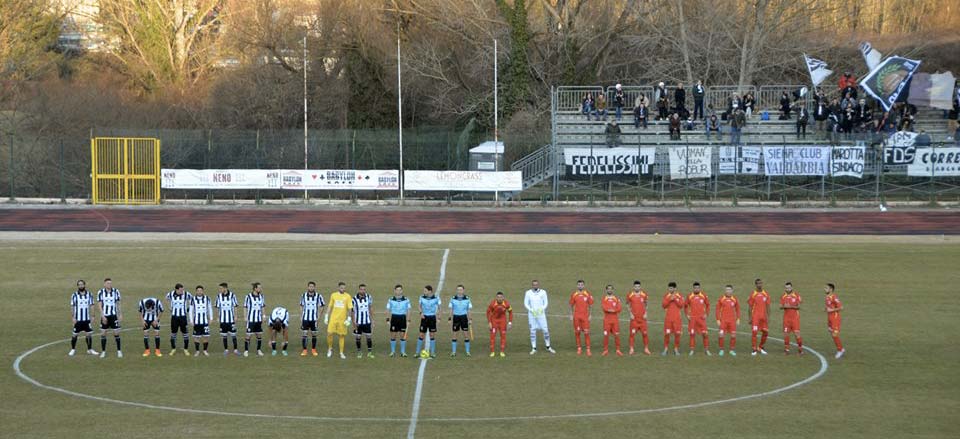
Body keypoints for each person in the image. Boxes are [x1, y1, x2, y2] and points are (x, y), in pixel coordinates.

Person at [523, 280, 555, 355]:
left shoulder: (543, 292)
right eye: (534, 285)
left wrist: (541, 309)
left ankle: (548, 346)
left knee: (545, 330)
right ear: (532, 285)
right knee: (532, 331)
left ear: (538, 285)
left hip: (541, 315)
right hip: (532, 315)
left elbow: (546, 302)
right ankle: (534, 348)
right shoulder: (528, 293)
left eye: (536, 285)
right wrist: (531, 310)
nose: (535, 286)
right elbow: (525, 303)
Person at [324, 281, 354, 359]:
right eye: (341, 288)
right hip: (333, 319)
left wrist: (349, 319)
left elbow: (350, 308)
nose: (343, 289)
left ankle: (341, 352)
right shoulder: (333, 295)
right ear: (338, 288)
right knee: (329, 333)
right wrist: (326, 316)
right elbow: (330, 306)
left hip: (342, 320)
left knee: (341, 335)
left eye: (344, 288)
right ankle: (330, 348)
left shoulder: (348, 296)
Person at [69, 280, 99, 356]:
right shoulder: (74, 295)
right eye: (79, 285)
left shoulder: (89, 294)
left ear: (84, 285)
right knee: (75, 334)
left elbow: (92, 305)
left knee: (88, 334)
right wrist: (73, 317)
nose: (81, 286)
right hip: (78, 319)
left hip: (86, 319)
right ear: (77, 286)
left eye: (82, 284)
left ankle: (90, 349)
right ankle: (73, 349)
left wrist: (93, 316)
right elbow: (72, 306)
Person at [97, 278, 123, 358]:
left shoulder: (116, 291)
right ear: (104, 284)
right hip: (105, 316)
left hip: (113, 316)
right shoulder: (100, 292)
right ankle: (103, 352)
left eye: (110, 283)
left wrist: (120, 314)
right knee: (103, 334)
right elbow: (99, 305)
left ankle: (119, 351)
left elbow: (118, 304)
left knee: (116, 333)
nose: (109, 284)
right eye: (107, 283)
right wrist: (102, 316)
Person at [299, 281, 325, 356]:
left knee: (314, 334)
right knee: (305, 334)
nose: (311, 288)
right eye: (310, 286)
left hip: (314, 319)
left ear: (314, 287)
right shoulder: (303, 295)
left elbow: (322, 306)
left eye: (312, 286)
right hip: (305, 318)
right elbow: (301, 305)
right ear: (308, 287)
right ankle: (304, 350)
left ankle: (313, 349)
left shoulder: (318, 296)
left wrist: (319, 317)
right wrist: (301, 316)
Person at [569, 280, 594, 356]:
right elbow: (571, 305)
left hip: (585, 317)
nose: (580, 286)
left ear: (584, 286)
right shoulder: (574, 294)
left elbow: (590, 305)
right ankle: (579, 348)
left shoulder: (587, 294)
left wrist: (590, 315)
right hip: (576, 316)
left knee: (586, 333)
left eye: (581, 285)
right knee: (577, 333)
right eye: (579, 285)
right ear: (577, 286)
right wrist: (570, 314)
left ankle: (588, 349)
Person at [415, 285, 441, 358]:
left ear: (430, 291)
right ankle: (417, 353)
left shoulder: (436, 298)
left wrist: (439, 318)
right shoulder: (422, 297)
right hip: (424, 318)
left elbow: (439, 308)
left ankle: (432, 353)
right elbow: (419, 306)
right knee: (421, 335)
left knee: (432, 335)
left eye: (425, 291)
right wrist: (421, 313)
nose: (424, 292)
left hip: (432, 318)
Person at [685, 282, 710, 356]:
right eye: (695, 288)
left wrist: (706, 314)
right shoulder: (689, 296)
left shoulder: (703, 295)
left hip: (701, 318)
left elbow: (708, 305)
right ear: (693, 288)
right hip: (692, 318)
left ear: (700, 288)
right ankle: (692, 350)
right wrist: (687, 315)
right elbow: (685, 306)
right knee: (692, 334)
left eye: (698, 288)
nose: (696, 289)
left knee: (705, 334)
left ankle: (706, 350)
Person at [166, 283, 192, 356]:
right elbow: (166, 299)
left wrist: (189, 308)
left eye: (183, 289)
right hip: (174, 317)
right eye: (181, 290)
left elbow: (192, 300)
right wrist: (169, 308)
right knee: (173, 333)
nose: (182, 291)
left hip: (183, 317)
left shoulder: (186, 294)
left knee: (185, 333)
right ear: (176, 289)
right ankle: (173, 349)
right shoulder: (171, 294)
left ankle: (186, 349)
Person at [386, 284, 411, 357]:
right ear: (395, 291)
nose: (399, 291)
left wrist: (408, 320)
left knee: (402, 336)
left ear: (402, 291)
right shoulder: (391, 299)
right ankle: (393, 352)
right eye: (397, 290)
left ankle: (403, 352)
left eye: (400, 290)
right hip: (394, 318)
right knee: (393, 335)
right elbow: (387, 309)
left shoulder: (406, 299)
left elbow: (409, 310)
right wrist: (387, 319)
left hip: (402, 318)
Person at [625, 281, 650, 355]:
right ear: (633, 287)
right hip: (634, 319)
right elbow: (627, 304)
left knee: (645, 334)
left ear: (640, 287)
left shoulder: (644, 294)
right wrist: (630, 314)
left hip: (642, 319)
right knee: (632, 334)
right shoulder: (630, 295)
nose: (637, 288)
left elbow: (646, 303)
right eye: (635, 287)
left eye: (638, 286)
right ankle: (631, 349)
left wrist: (646, 313)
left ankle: (646, 348)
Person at [215, 282, 240, 356]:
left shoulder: (232, 295)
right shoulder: (218, 296)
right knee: (224, 335)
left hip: (231, 320)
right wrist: (217, 317)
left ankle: (235, 350)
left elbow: (235, 306)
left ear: (225, 288)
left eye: (221, 288)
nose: (220, 290)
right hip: (223, 320)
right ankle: (226, 350)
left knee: (233, 335)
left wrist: (235, 316)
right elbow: (217, 307)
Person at [486, 291, 513, 357]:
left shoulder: (506, 304)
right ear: (496, 298)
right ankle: (492, 352)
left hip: (502, 322)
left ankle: (502, 351)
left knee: (503, 336)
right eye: (498, 297)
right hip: (494, 321)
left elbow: (510, 312)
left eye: (501, 297)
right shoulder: (493, 303)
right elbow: (488, 312)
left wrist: (509, 322)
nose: (499, 298)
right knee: (493, 336)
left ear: (503, 298)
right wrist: (489, 322)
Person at [747, 278, 771, 356]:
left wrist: (768, 317)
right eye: (758, 283)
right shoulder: (753, 294)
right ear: (756, 285)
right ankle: (754, 349)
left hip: (763, 317)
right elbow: (750, 307)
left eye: (761, 283)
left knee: (766, 332)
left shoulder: (766, 294)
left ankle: (760, 347)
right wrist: (750, 318)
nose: (759, 285)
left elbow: (768, 306)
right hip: (755, 317)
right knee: (754, 332)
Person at [715, 285, 740, 356]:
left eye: (729, 290)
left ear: (732, 291)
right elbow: (717, 309)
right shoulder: (721, 299)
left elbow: (737, 309)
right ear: (725, 291)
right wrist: (718, 319)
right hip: (723, 321)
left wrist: (738, 318)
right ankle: (721, 350)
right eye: (727, 290)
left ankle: (731, 350)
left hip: (732, 321)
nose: (728, 291)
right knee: (721, 335)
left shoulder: (734, 299)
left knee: (733, 335)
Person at [448, 285, 472, 357]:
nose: (459, 291)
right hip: (456, 318)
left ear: (463, 290)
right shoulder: (453, 298)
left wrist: (470, 319)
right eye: (458, 290)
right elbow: (451, 309)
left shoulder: (467, 299)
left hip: (464, 318)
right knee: (455, 335)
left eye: (461, 290)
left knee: (466, 335)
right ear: (456, 290)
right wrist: (449, 318)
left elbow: (469, 310)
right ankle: (453, 352)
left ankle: (468, 352)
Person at [242, 282, 266, 357]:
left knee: (259, 335)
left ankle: (258, 350)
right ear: (255, 288)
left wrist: (264, 316)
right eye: (259, 288)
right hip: (251, 320)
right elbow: (245, 307)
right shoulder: (248, 297)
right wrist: (245, 317)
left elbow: (262, 307)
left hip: (258, 320)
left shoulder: (261, 296)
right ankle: (246, 351)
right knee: (248, 335)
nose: (260, 289)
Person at [661, 282, 684, 356]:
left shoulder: (679, 296)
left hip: (677, 319)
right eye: (669, 288)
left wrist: (675, 299)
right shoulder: (666, 296)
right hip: (668, 318)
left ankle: (676, 349)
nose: (670, 289)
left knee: (677, 334)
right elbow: (663, 305)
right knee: (667, 334)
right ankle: (665, 349)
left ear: (675, 288)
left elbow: (681, 305)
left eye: (671, 288)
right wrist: (670, 300)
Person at [780, 282, 803, 355]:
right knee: (786, 334)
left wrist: (789, 306)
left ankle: (800, 350)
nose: (788, 289)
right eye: (786, 288)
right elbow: (781, 306)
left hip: (795, 318)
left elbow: (799, 306)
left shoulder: (796, 296)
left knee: (797, 334)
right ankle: (786, 350)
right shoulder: (783, 296)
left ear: (792, 288)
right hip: (786, 319)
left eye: (789, 288)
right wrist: (784, 306)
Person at [600, 285, 623, 357]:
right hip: (607, 320)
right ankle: (605, 350)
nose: (609, 290)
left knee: (616, 335)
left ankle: (618, 350)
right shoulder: (604, 298)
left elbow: (619, 308)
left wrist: (612, 310)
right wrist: (612, 310)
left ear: (613, 290)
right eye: (608, 289)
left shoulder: (616, 299)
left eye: (611, 289)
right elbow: (604, 308)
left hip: (615, 320)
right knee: (606, 335)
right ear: (606, 290)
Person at [353, 284, 375, 358]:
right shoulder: (354, 299)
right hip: (358, 322)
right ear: (359, 290)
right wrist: (354, 322)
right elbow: (352, 311)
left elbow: (370, 308)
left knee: (369, 337)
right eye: (361, 289)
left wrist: (372, 320)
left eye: (364, 289)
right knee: (358, 337)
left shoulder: (369, 297)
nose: (363, 291)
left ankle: (369, 352)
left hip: (367, 322)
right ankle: (359, 352)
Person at [189, 285, 212, 356]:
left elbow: (210, 309)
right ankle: (197, 351)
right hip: (196, 321)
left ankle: (205, 350)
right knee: (196, 337)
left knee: (206, 336)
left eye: (201, 290)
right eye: (198, 291)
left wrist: (211, 318)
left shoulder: (207, 298)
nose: (199, 292)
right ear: (196, 291)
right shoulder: (192, 299)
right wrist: (191, 320)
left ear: (203, 291)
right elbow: (191, 310)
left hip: (205, 321)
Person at [824, 283, 845, 359]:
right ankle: (841, 348)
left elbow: (841, 307)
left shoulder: (834, 297)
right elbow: (829, 307)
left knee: (835, 335)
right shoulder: (827, 297)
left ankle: (840, 350)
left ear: (831, 289)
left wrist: (832, 309)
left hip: (835, 319)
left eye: (826, 288)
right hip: (830, 318)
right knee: (832, 334)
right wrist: (826, 309)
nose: (825, 289)